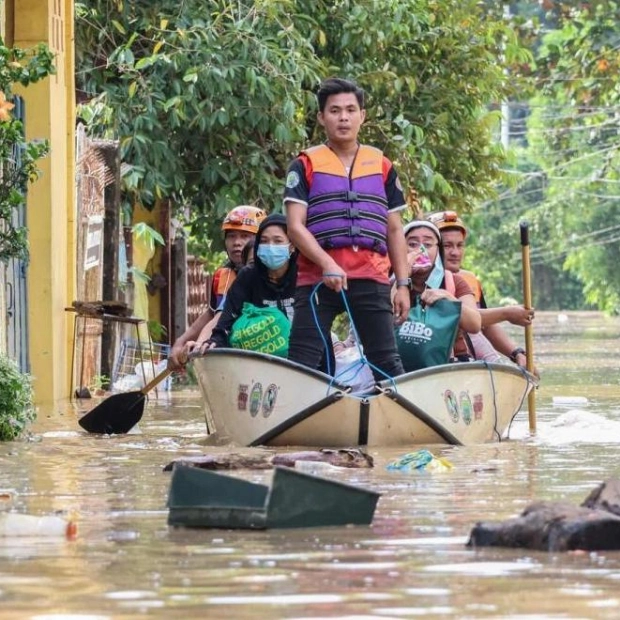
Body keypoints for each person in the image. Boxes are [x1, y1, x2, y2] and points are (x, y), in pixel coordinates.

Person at [284, 77, 410, 380]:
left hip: (372, 275)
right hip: (317, 278)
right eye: (335, 110)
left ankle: (400, 421)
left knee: (387, 362)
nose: (343, 117)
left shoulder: (382, 166)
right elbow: (294, 227)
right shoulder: (304, 165)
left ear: (362, 116)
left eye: (351, 110)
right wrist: (327, 263)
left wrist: (403, 285)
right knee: (301, 362)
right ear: (321, 117)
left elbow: (394, 231)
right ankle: (291, 419)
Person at [426, 210, 536, 372]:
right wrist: (507, 313)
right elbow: (474, 320)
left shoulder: (469, 280)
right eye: (447, 246)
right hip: (435, 360)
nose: (455, 252)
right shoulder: (419, 279)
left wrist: (517, 353)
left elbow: (484, 324)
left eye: (460, 245)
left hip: (469, 359)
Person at [168, 205, 266, 369]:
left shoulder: (271, 274)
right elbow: (213, 313)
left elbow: (219, 317)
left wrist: (199, 344)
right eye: (232, 236)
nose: (237, 242)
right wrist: (181, 342)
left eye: (245, 236)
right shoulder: (223, 275)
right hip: (226, 353)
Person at [198, 213, 297, 352]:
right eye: (264, 241)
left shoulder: (305, 275)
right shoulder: (247, 276)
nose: (270, 246)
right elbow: (225, 319)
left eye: (278, 241)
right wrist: (214, 341)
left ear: (292, 245)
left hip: (304, 358)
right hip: (257, 362)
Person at [399, 220, 481, 368]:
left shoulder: (454, 282)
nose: (420, 250)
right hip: (398, 368)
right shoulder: (388, 283)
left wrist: (448, 298)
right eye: (412, 244)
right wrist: (402, 278)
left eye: (428, 245)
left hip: (446, 368)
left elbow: (475, 324)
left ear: (438, 251)